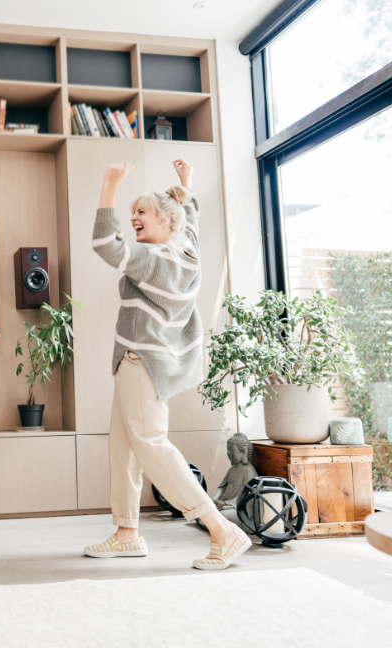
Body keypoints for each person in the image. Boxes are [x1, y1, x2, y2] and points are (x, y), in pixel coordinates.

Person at [83, 159, 251, 570]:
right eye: (131, 211)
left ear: (163, 219)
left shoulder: (151, 259)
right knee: (123, 447)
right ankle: (127, 534)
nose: (132, 217)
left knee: (151, 445)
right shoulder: (186, 252)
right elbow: (189, 221)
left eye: (141, 212)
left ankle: (221, 529)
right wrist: (186, 186)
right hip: (143, 362)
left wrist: (110, 184)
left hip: (141, 361)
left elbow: (105, 245)